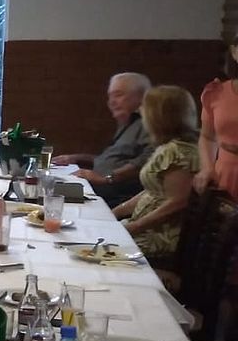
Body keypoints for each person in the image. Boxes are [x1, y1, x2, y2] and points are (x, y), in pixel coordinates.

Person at [112, 85, 200, 258]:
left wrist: (134, 227)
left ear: (157, 115)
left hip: (157, 238)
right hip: (141, 229)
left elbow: (178, 201)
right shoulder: (167, 147)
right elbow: (153, 190)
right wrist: (114, 212)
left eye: (144, 107)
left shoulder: (179, 152)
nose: (140, 111)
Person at [53, 72, 153, 205]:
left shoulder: (149, 124)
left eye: (118, 95)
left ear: (141, 96)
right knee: (48, 187)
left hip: (115, 196)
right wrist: (76, 157)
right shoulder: (128, 124)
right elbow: (111, 159)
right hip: (98, 187)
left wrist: (107, 178)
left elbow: (148, 160)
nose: (111, 102)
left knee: (53, 199)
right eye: (110, 96)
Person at [197, 41, 238, 197]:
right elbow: (207, 137)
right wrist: (207, 168)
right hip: (225, 175)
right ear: (234, 52)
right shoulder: (216, 92)